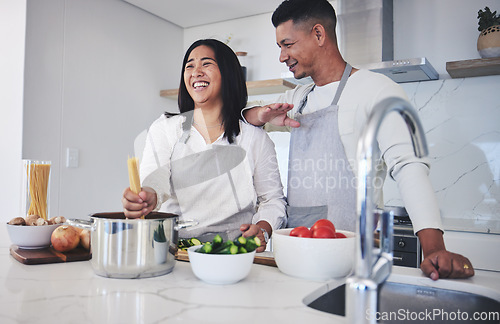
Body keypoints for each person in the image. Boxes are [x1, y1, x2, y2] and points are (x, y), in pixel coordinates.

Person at [243, 0, 474, 279]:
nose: (282, 56)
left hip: (352, 258)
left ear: (318, 34)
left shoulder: (376, 90)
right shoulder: (297, 99)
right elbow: (246, 117)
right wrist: (264, 114)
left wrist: (434, 248)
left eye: (287, 44)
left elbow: (407, 166)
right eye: (280, 47)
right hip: (299, 253)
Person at [122, 39, 286, 252]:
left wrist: (262, 229)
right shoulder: (166, 128)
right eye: (189, 66)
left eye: (206, 64)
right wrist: (147, 197)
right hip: (175, 253)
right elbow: (155, 181)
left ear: (227, 74)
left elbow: (273, 200)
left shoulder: (255, 138)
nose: (195, 72)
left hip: (235, 254)